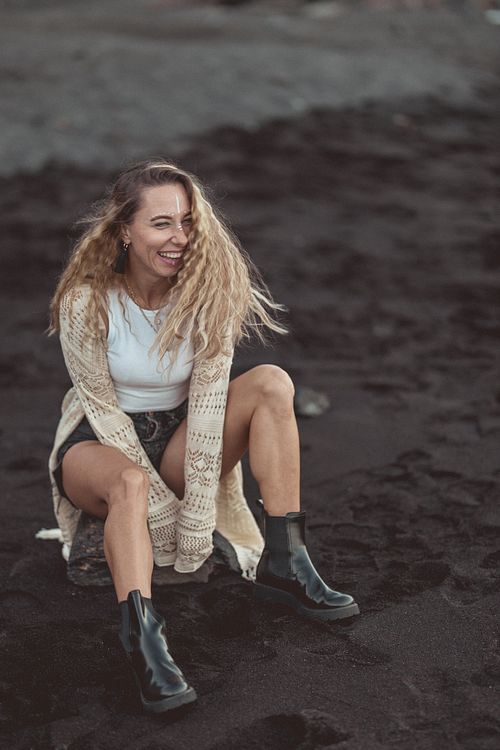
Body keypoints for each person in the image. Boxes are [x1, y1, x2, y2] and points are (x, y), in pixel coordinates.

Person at [47, 160, 359, 715]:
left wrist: (195, 511)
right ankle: (143, 638)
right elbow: (102, 408)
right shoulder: (86, 301)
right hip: (99, 442)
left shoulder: (206, 293)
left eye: (188, 222)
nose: (179, 237)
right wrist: (163, 509)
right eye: (161, 223)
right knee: (128, 482)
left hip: (181, 434)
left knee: (271, 382)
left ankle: (287, 563)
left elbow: (211, 401)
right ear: (125, 230)